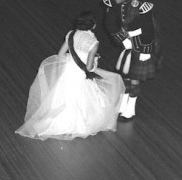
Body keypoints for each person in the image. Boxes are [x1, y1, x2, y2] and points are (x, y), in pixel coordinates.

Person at [15, 12, 124, 140]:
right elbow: (89, 68)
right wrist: (95, 61)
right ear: (93, 26)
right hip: (80, 75)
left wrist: (71, 60)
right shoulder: (93, 42)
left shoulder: (71, 35)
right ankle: (77, 124)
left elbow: (61, 55)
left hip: (69, 71)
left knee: (64, 96)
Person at [101, 0, 159, 121]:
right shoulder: (112, 2)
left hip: (140, 45)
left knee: (134, 78)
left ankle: (130, 109)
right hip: (126, 44)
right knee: (125, 75)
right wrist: (122, 39)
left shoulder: (141, 6)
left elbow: (149, 28)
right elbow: (109, 23)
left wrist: (146, 50)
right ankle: (122, 105)